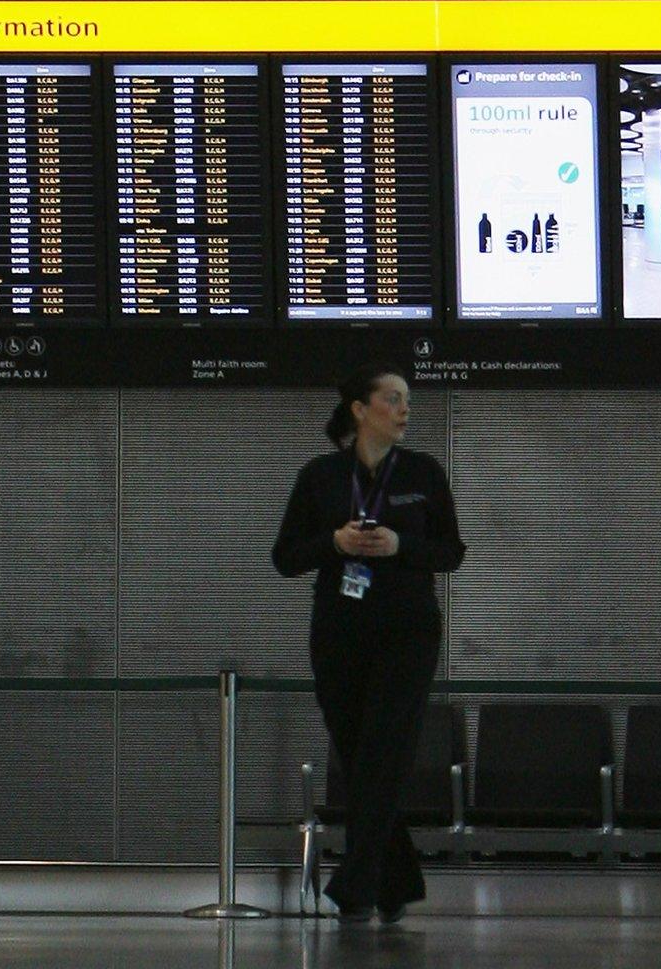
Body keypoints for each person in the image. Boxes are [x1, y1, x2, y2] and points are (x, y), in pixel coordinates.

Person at [272, 362, 465, 924]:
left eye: (407, 399)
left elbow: (451, 552)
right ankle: (396, 882)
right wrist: (333, 542)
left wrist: (400, 543)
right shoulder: (320, 477)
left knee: (383, 749)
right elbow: (285, 557)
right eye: (393, 399)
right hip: (339, 630)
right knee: (360, 760)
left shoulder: (425, 473)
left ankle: (353, 887)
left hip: (407, 631)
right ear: (360, 410)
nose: (405, 409)